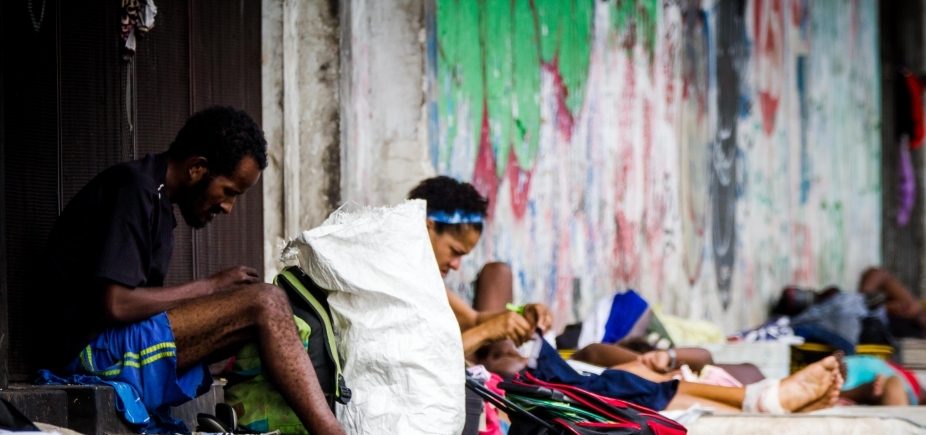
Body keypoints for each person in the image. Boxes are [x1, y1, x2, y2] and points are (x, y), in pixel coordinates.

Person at [408, 176, 844, 414]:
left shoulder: (428, 279)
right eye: (454, 252)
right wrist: (495, 327)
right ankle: (759, 400)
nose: (456, 265)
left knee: (607, 378)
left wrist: (520, 314)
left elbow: (469, 321)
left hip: (494, 369)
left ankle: (758, 399)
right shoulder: (400, 280)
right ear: (428, 226)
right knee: (605, 384)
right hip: (480, 381)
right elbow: (430, 358)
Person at [41, 107, 344, 435]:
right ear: (197, 168)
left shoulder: (155, 199)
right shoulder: (136, 189)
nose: (228, 207)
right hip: (87, 356)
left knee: (276, 317)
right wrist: (210, 287)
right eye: (229, 192)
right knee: (265, 303)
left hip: (113, 344)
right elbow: (117, 304)